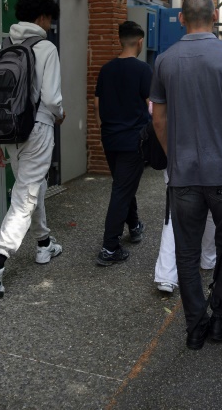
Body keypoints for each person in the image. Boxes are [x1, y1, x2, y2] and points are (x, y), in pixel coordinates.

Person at [151, 0, 222, 350]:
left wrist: (173, 157)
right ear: (215, 17)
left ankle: (196, 327)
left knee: (186, 253)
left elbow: (159, 121)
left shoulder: (164, 61)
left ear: (182, 18)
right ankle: (221, 318)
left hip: (183, 178)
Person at [0, 0, 66, 295]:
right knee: (24, 196)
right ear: (42, 17)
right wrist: (60, 114)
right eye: (50, 19)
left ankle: (43, 244)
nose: (50, 25)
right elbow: (53, 99)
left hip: (8, 132)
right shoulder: (45, 48)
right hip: (38, 129)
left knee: (32, 185)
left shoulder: (2, 47)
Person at [94, 21, 152, 266]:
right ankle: (109, 247)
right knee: (121, 190)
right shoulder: (143, 70)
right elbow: (152, 104)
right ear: (139, 41)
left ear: (120, 40)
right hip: (133, 141)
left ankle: (135, 225)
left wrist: (106, 129)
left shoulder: (106, 69)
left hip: (110, 138)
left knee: (123, 184)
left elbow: (97, 105)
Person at [154, 169, 217, 293]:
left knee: (175, 215)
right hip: (213, 165)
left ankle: (166, 275)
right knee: (211, 209)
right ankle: (208, 259)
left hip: (178, 164)